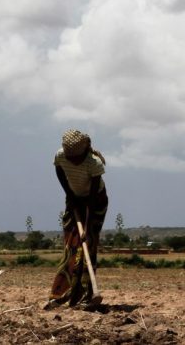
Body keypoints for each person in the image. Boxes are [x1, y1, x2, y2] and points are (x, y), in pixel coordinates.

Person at [47, 129, 109, 308]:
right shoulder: (61, 156)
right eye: (69, 157)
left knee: (88, 244)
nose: (72, 161)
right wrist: (69, 195)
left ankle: (87, 295)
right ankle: (62, 294)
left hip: (94, 201)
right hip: (73, 198)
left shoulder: (93, 163)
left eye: (76, 158)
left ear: (83, 151)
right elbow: (59, 171)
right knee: (71, 246)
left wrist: (87, 227)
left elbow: (91, 198)